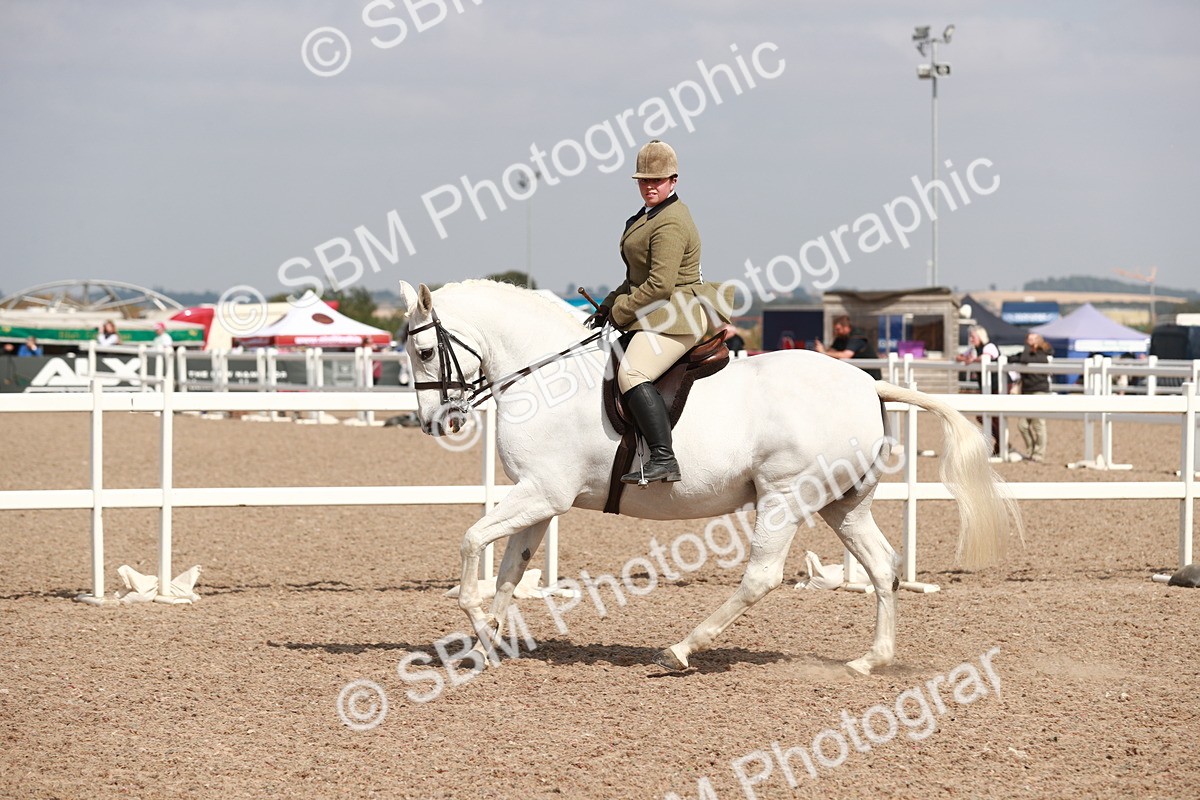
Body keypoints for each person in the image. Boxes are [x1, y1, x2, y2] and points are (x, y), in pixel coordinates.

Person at [587, 140, 733, 484]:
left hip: (678, 312)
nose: (649, 186)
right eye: (643, 180)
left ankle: (664, 458)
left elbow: (659, 285)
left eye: (657, 180)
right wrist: (610, 301)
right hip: (660, 310)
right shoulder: (645, 217)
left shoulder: (671, 222)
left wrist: (620, 312)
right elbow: (635, 277)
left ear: (673, 180)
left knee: (632, 373)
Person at [956, 324, 1002, 455]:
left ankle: (1001, 444)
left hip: (997, 384)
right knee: (983, 416)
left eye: (973, 336)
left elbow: (985, 358)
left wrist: (971, 360)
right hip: (986, 385)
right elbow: (958, 357)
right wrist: (967, 358)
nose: (971, 339)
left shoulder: (989, 346)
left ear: (980, 336)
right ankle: (1001, 442)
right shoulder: (973, 349)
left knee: (995, 417)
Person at [1009, 332, 1052, 462]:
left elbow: (1028, 359)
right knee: (1022, 424)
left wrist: (1025, 353)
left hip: (1039, 391)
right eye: (1028, 339)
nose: (1030, 341)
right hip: (1026, 391)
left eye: (1033, 339)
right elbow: (1013, 359)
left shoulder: (1044, 353)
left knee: (1038, 423)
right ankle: (1031, 448)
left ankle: (1039, 453)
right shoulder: (1026, 353)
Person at [815, 315, 881, 379]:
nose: (836, 332)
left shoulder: (857, 337)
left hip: (871, 376)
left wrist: (824, 353)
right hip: (858, 375)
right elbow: (832, 352)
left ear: (846, 327)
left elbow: (846, 355)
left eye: (838, 329)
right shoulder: (840, 337)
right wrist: (822, 351)